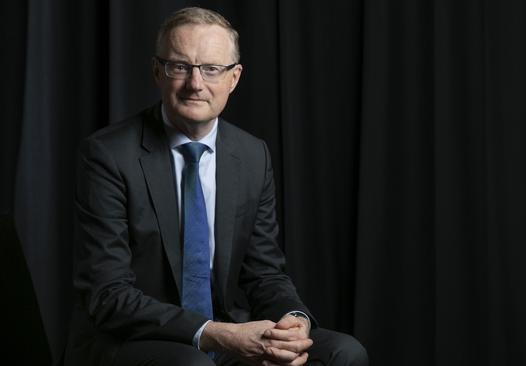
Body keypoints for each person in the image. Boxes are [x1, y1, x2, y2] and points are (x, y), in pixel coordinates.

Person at [64, 7, 368, 366]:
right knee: (194, 364)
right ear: (157, 72)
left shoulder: (253, 155)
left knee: (344, 353)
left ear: (234, 78)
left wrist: (293, 320)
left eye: (211, 69)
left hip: (225, 337)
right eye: (180, 67)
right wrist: (217, 334)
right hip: (131, 340)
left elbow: (264, 272)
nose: (196, 83)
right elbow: (109, 294)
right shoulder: (108, 154)